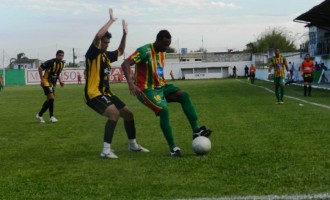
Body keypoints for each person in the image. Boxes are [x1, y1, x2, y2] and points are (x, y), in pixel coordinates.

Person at [121, 30, 212, 157]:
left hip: (162, 86)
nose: (166, 48)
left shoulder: (163, 52)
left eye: (168, 45)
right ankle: (173, 148)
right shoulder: (144, 51)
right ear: (157, 41)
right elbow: (125, 64)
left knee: (184, 95)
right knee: (164, 111)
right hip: (147, 90)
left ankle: (196, 131)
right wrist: (131, 84)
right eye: (164, 45)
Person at [84, 8, 148, 159]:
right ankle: (106, 150)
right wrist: (111, 21)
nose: (106, 45)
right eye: (104, 42)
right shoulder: (92, 54)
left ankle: (132, 145)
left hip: (106, 93)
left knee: (129, 114)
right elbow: (98, 35)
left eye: (107, 43)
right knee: (114, 113)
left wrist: (125, 34)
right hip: (93, 94)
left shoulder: (106, 56)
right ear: (99, 42)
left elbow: (120, 50)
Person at [35, 50, 65, 123]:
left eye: (62, 55)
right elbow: (40, 68)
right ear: (56, 55)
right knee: (51, 98)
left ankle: (39, 115)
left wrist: (60, 81)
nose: (61, 57)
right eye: (59, 55)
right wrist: (42, 80)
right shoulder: (50, 62)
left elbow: (57, 73)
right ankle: (51, 117)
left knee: (50, 100)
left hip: (53, 83)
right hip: (46, 81)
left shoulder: (61, 64)